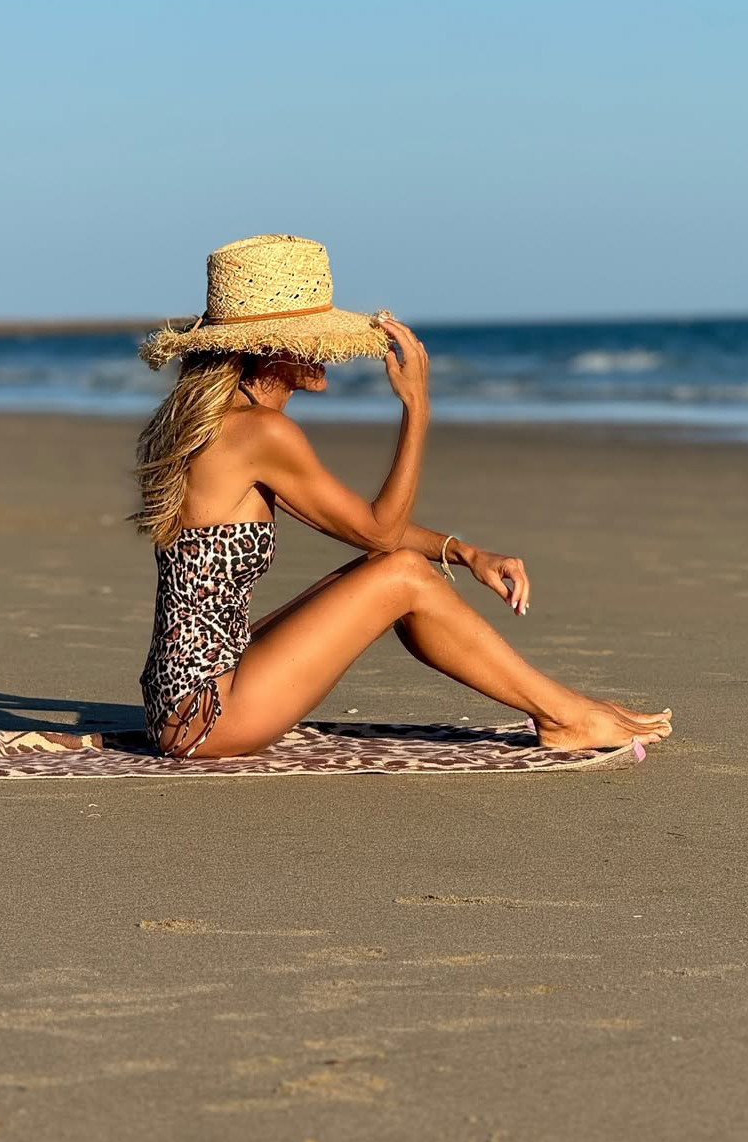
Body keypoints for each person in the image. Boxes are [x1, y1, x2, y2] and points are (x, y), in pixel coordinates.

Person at [132, 234, 673, 761]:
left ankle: (561, 711)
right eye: (315, 338)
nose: (332, 353)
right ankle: (563, 716)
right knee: (402, 573)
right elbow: (382, 531)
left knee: (392, 567)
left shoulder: (220, 426)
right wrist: (417, 409)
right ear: (269, 349)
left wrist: (464, 552)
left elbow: (359, 527)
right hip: (206, 713)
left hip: (179, 695)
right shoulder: (260, 433)